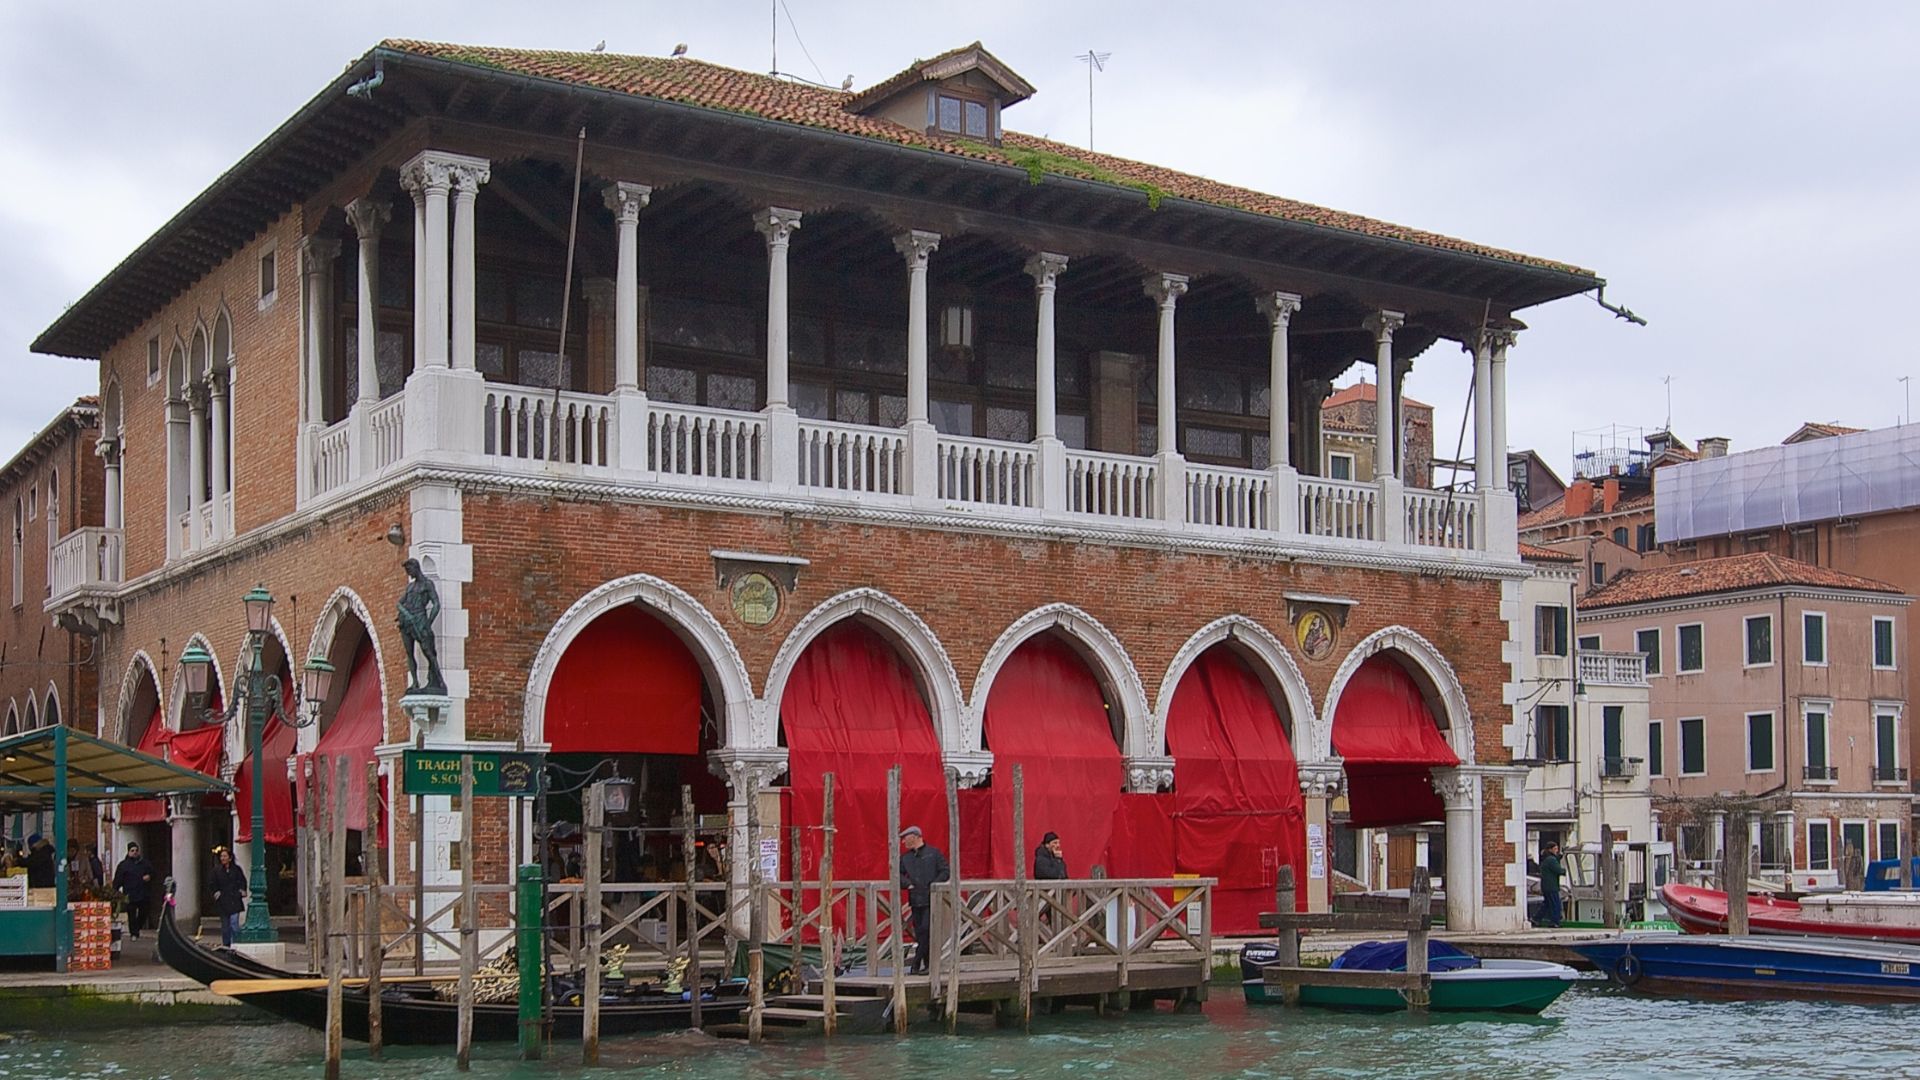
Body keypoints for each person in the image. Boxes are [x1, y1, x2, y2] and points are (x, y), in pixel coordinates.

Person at [898, 825, 949, 975]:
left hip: (931, 899)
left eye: (905, 838)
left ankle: (916, 963)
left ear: (914, 837)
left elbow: (945, 871)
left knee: (927, 930)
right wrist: (908, 884)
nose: (903, 842)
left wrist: (934, 885)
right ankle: (926, 965)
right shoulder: (905, 858)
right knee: (920, 932)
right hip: (915, 900)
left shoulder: (933, 854)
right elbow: (897, 875)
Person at [114, 842, 155, 938]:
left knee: (144, 912)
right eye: (132, 851)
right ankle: (134, 933)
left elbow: (153, 873)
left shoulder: (145, 863)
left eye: (136, 850)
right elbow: (118, 880)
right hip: (130, 894)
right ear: (128, 852)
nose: (135, 852)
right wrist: (115, 891)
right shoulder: (123, 865)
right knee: (131, 915)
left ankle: (138, 927)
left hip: (143, 893)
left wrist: (149, 876)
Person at [209, 846, 248, 946]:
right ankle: (226, 946)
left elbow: (242, 881)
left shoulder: (236, 869)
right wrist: (216, 892)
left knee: (234, 924)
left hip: (234, 900)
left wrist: (242, 891)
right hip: (223, 902)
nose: (223, 858)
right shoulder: (216, 871)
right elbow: (212, 884)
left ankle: (236, 944)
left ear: (230, 858)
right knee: (225, 927)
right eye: (221, 856)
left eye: (225, 856)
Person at [1538, 840, 1565, 928]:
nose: (1557, 850)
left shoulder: (1547, 859)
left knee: (1547, 904)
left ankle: (1536, 918)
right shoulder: (1551, 860)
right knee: (1555, 904)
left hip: (1546, 886)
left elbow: (1556, 859)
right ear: (1550, 850)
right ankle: (1554, 922)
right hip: (1552, 886)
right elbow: (1558, 870)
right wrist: (1567, 871)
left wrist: (1561, 855)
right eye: (1555, 849)